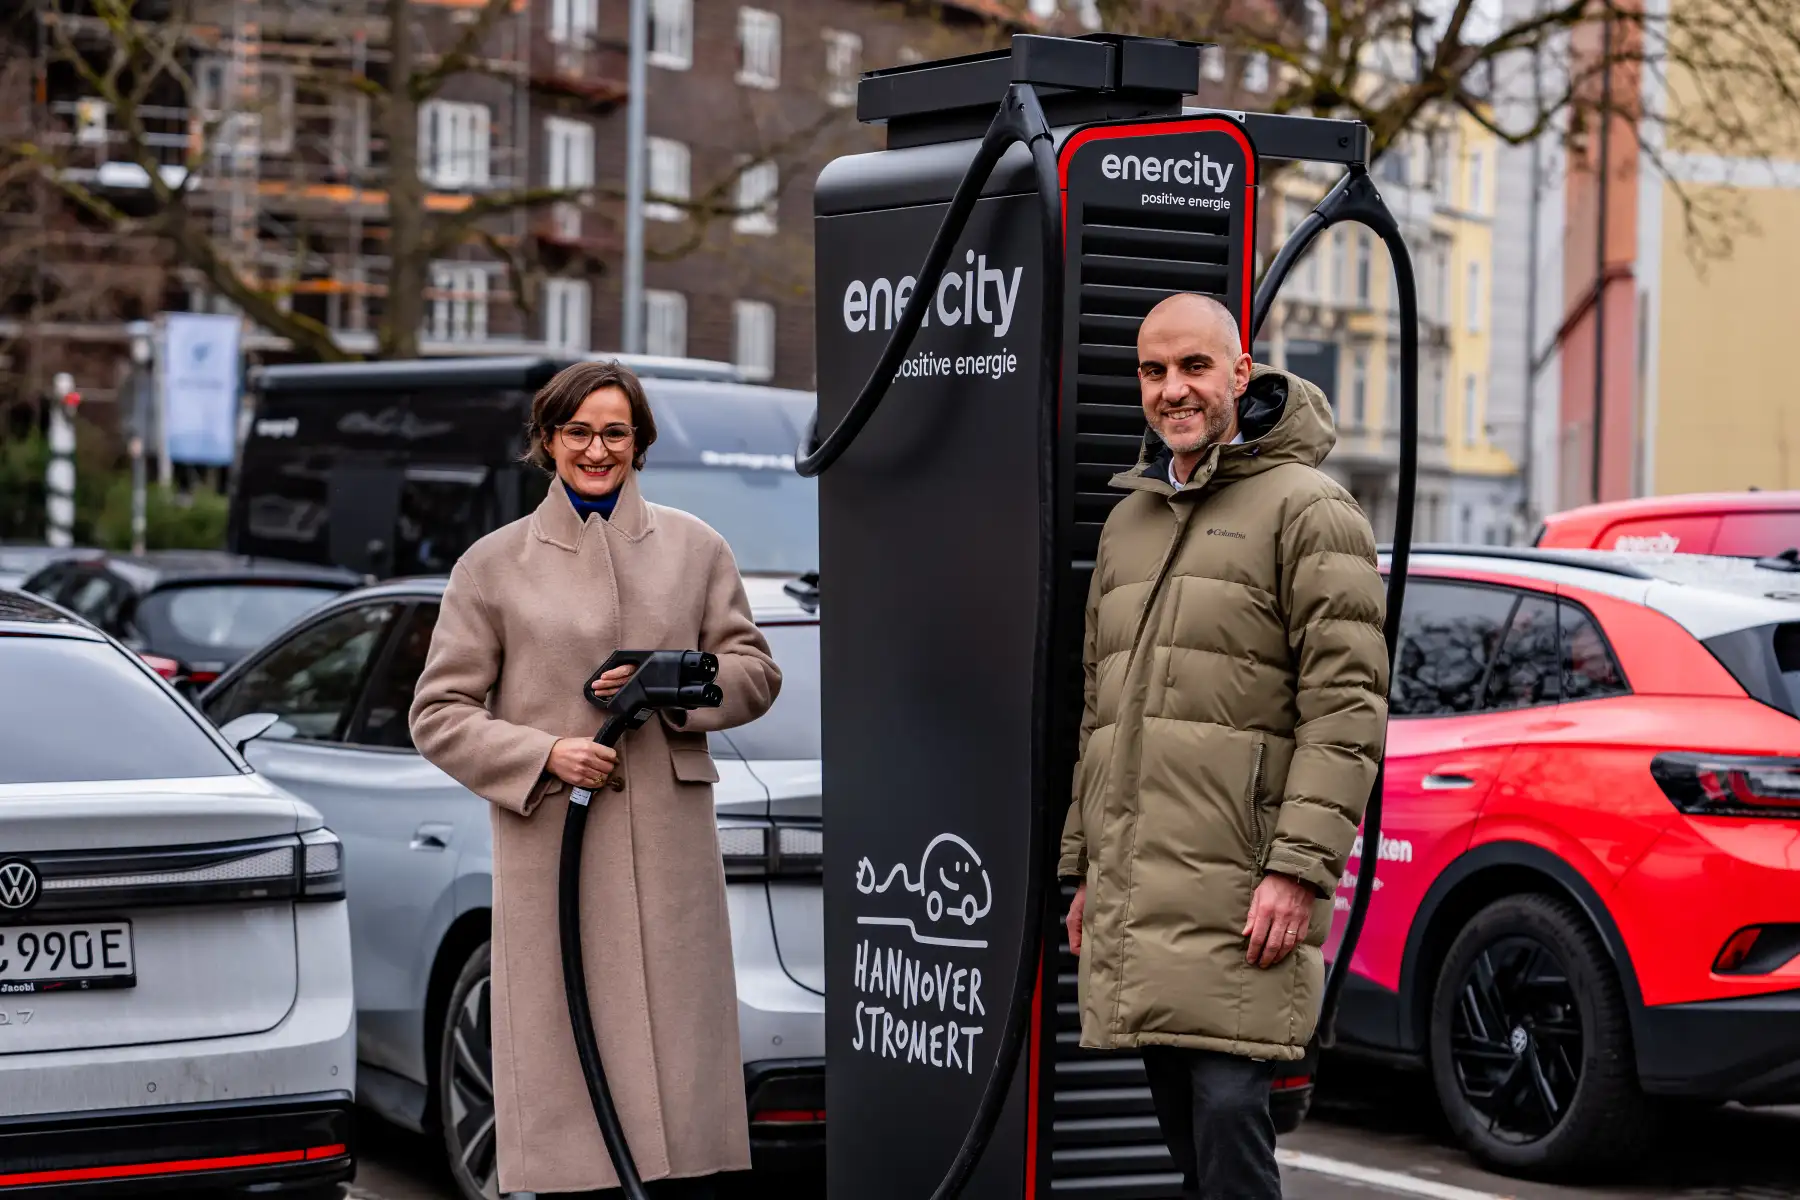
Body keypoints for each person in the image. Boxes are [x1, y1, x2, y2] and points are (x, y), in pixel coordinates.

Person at [409, 360, 781, 1199]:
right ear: (547, 441)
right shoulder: (492, 566)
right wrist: (543, 754)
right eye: (578, 431)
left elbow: (754, 671)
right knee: (572, 1093)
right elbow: (437, 713)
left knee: (682, 1106)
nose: (597, 449)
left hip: (670, 850)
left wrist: (677, 682)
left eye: (615, 432)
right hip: (554, 854)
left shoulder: (696, 548)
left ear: (639, 442)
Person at [1059, 294, 1389, 1200]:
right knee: (1182, 1131)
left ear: (1241, 374)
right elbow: (1105, 713)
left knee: (1230, 1124)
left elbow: (1347, 709)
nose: (1174, 390)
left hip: (1247, 887)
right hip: (1146, 883)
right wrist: (1088, 866)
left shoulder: (1311, 511)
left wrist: (1297, 870)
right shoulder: (1133, 517)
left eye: (1195, 367)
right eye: (1154, 371)